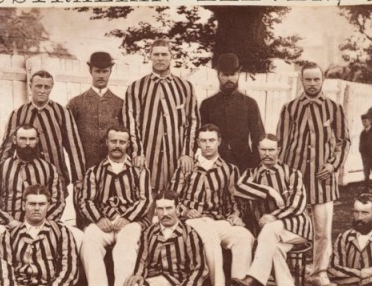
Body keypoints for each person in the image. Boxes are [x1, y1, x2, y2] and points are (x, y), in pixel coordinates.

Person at [276, 62, 350, 286]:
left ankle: (319, 273)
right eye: (307, 79)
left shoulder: (333, 108)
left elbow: (343, 141)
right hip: (295, 181)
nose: (312, 83)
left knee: (322, 230)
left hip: (323, 180)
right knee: (290, 227)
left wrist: (333, 165)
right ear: (301, 80)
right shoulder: (290, 108)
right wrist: (285, 176)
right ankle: (288, 274)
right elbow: (281, 143)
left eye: (316, 79)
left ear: (323, 80)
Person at [170, 124, 254, 286]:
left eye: (211, 140)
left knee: (244, 236)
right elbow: (172, 198)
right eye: (203, 141)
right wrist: (184, 211)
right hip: (193, 222)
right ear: (197, 143)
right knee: (210, 238)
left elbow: (236, 200)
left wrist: (235, 215)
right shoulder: (187, 167)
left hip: (218, 220)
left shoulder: (229, 169)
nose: (207, 145)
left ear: (219, 142)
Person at [231, 134, 312, 286]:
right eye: (263, 149)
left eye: (271, 149)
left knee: (269, 228)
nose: (267, 154)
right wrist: (269, 191)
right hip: (270, 238)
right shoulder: (251, 174)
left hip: (295, 229)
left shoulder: (293, 174)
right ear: (258, 150)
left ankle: (253, 279)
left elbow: (297, 205)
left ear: (279, 150)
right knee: (274, 249)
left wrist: (274, 216)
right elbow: (238, 187)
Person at [77, 126, 151, 286]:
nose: (117, 146)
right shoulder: (94, 171)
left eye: (122, 142)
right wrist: (99, 219)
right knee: (90, 238)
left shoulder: (140, 171)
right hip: (104, 222)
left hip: (131, 222)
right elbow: (85, 200)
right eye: (114, 141)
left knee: (125, 244)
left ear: (128, 144)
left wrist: (126, 218)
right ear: (107, 143)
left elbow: (145, 200)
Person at [121, 190, 213, 286]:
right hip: (154, 284)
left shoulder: (190, 233)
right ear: (156, 211)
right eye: (160, 209)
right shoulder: (149, 232)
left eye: (169, 208)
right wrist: (138, 275)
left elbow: (200, 268)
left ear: (178, 208)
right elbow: (142, 259)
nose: (165, 213)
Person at [0, 124, 65, 279]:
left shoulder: (48, 169)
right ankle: (1, 283)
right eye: (23, 139)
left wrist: (43, 223)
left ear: (37, 140)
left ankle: (49, 282)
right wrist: (11, 222)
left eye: (32, 139)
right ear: (14, 140)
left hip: (42, 224)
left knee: (75, 236)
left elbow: (58, 202)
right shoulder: (0, 169)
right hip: (8, 227)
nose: (27, 143)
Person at [123, 39, 199, 192]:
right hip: (147, 159)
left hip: (177, 159)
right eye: (156, 54)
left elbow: (193, 121)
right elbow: (131, 121)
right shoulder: (137, 87)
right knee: (146, 202)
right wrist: (137, 152)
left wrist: (187, 153)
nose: (160, 58)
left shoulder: (185, 87)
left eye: (164, 54)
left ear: (171, 56)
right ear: (149, 56)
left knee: (175, 203)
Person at [0, 70, 86, 192]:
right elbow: (7, 147)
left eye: (47, 87)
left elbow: (73, 146)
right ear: (30, 86)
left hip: (56, 179)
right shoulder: (18, 113)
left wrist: (79, 179)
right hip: (25, 180)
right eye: (38, 86)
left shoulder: (62, 112)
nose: (42, 91)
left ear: (52, 88)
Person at [200, 53, 265, 171]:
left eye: (233, 74)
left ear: (239, 74)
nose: (229, 79)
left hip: (244, 163)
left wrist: (255, 165)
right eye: (225, 75)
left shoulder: (249, 104)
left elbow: (258, 137)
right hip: (214, 163)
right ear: (218, 75)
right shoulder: (207, 104)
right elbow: (201, 137)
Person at [66, 52, 124, 169]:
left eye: (105, 71)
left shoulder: (120, 104)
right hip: (84, 166)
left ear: (110, 72)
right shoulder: (76, 103)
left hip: (112, 168)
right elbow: (68, 138)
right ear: (90, 71)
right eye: (97, 71)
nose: (101, 76)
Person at [358, 113, 372, 188]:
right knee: (366, 173)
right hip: (366, 157)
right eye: (362, 121)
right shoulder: (362, 133)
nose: (364, 123)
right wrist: (362, 153)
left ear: (370, 121)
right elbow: (361, 145)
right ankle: (366, 188)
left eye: (365, 121)